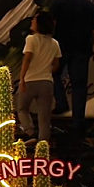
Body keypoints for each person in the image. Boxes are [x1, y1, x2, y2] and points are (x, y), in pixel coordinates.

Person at [50, 0, 94, 137]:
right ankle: (77, 121)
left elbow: (50, 25)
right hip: (82, 50)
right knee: (79, 85)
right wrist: (89, 45)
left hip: (61, 48)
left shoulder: (58, 4)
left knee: (53, 75)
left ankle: (61, 104)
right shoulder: (90, 6)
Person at [17, 10, 61, 145]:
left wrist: (22, 78)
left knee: (22, 108)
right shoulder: (54, 43)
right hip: (46, 82)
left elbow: (27, 59)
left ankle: (30, 132)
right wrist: (46, 70)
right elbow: (56, 65)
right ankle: (43, 143)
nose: (32, 21)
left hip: (30, 80)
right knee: (44, 115)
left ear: (39, 24)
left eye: (34, 20)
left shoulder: (31, 39)